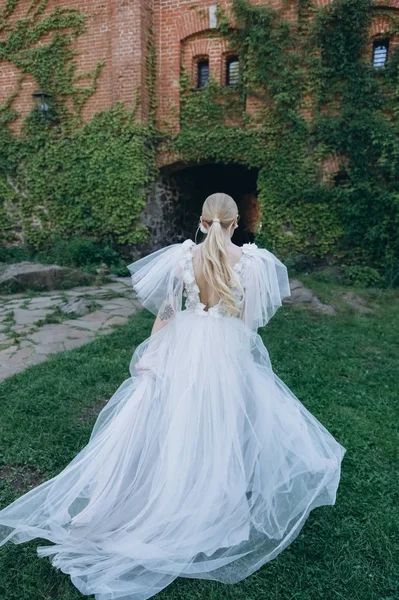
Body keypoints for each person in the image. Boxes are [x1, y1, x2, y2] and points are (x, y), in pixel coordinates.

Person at [0, 192, 346, 600]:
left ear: (201, 223)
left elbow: (167, 311)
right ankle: (210, 497)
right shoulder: (254, 263)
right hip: (225, 348)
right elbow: (250, 323)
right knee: (221, 423)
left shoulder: (182, 257)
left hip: (183, 345)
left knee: (178, 420)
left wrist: (152, 353)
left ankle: (175, 488)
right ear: (237, 224)